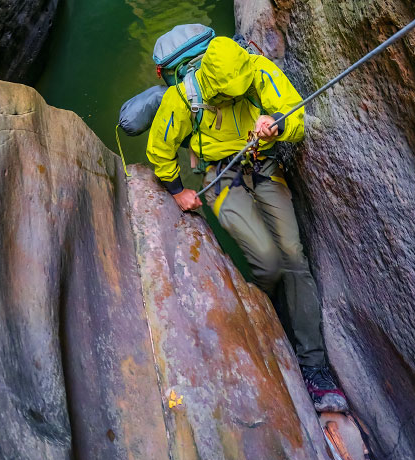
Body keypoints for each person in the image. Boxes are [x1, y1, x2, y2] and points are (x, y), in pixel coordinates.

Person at [146, 36, 348, 414]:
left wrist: (278, 125)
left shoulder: (258, 70)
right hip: (221, 175)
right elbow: (159, 149)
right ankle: (262, 305)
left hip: (265, 163)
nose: (236, 100)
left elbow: (297, 118)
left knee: (293, 256)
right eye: (228, 98)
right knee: (269, 262)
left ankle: (314, 365)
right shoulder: (184, 98)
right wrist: (177, 191)